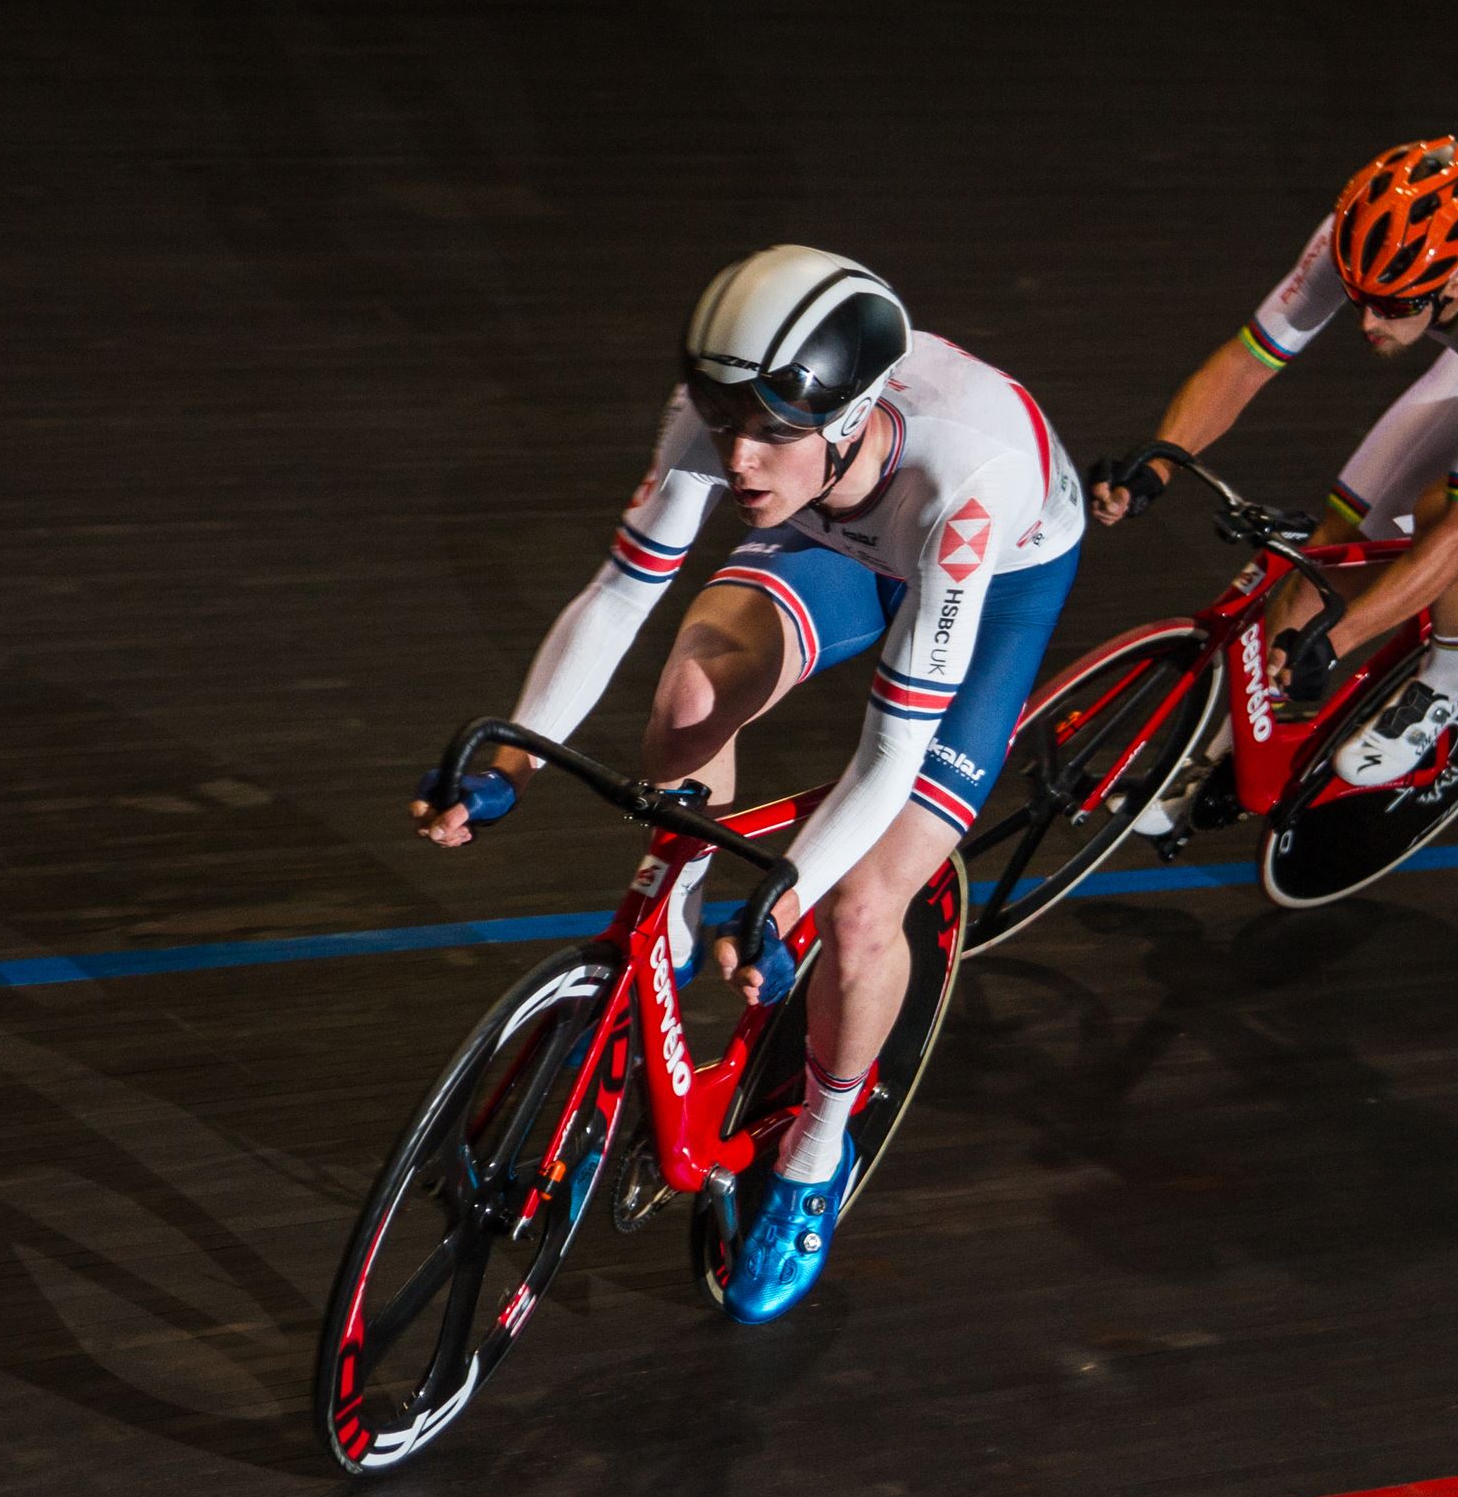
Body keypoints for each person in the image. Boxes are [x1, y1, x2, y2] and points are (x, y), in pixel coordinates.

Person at [412, 245, 1083, 1322]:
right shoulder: (732, 412)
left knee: (864, 908)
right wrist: (512, 760)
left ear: (850, 415)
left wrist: (792, 891)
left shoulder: (969, 489)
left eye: (772, 433)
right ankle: (667, 937)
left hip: (988, 571)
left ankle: (815, 1157)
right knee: (688, 693)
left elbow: (887, 756)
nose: (739, 461)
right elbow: (621, 594)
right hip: (843, 525)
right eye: (728, 427)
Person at [1088, 136, 1458, 786]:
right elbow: (1246, 362)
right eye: (1359, 299)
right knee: (1335, 544)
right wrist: (1158, 464)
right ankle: (1223, 760)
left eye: (1397, 306)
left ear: (1457, 277)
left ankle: (1449, 682)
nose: (1369, 323)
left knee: (1446, 519)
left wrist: (1339, 642)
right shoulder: (1362, 243)